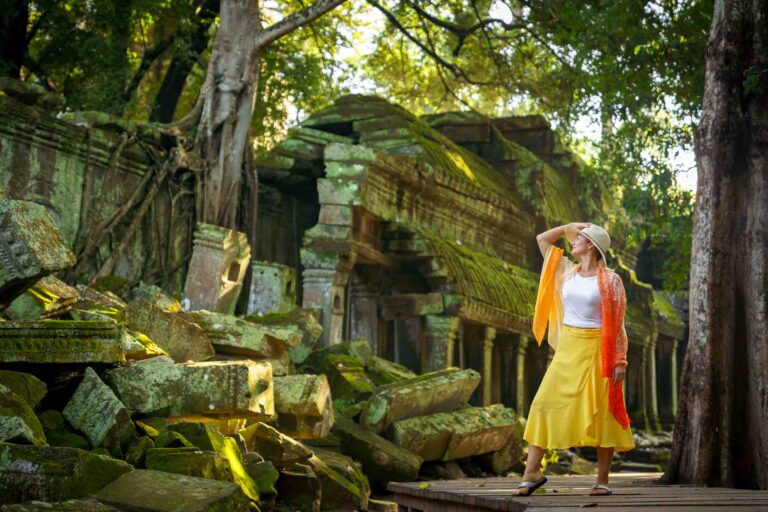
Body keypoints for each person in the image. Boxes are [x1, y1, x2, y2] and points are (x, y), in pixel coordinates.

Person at [512, 222, 635, 497]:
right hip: (568, 348)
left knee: (603, 412)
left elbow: (618, 323)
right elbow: (542, 240)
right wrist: (568, 227)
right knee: (544, 403)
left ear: (591, 245)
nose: (572, 241)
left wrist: (619, 360)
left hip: (598, 350)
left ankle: (602, 480)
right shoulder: (567, 270)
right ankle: (532, 472)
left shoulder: (611, 280)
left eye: (578, 238)